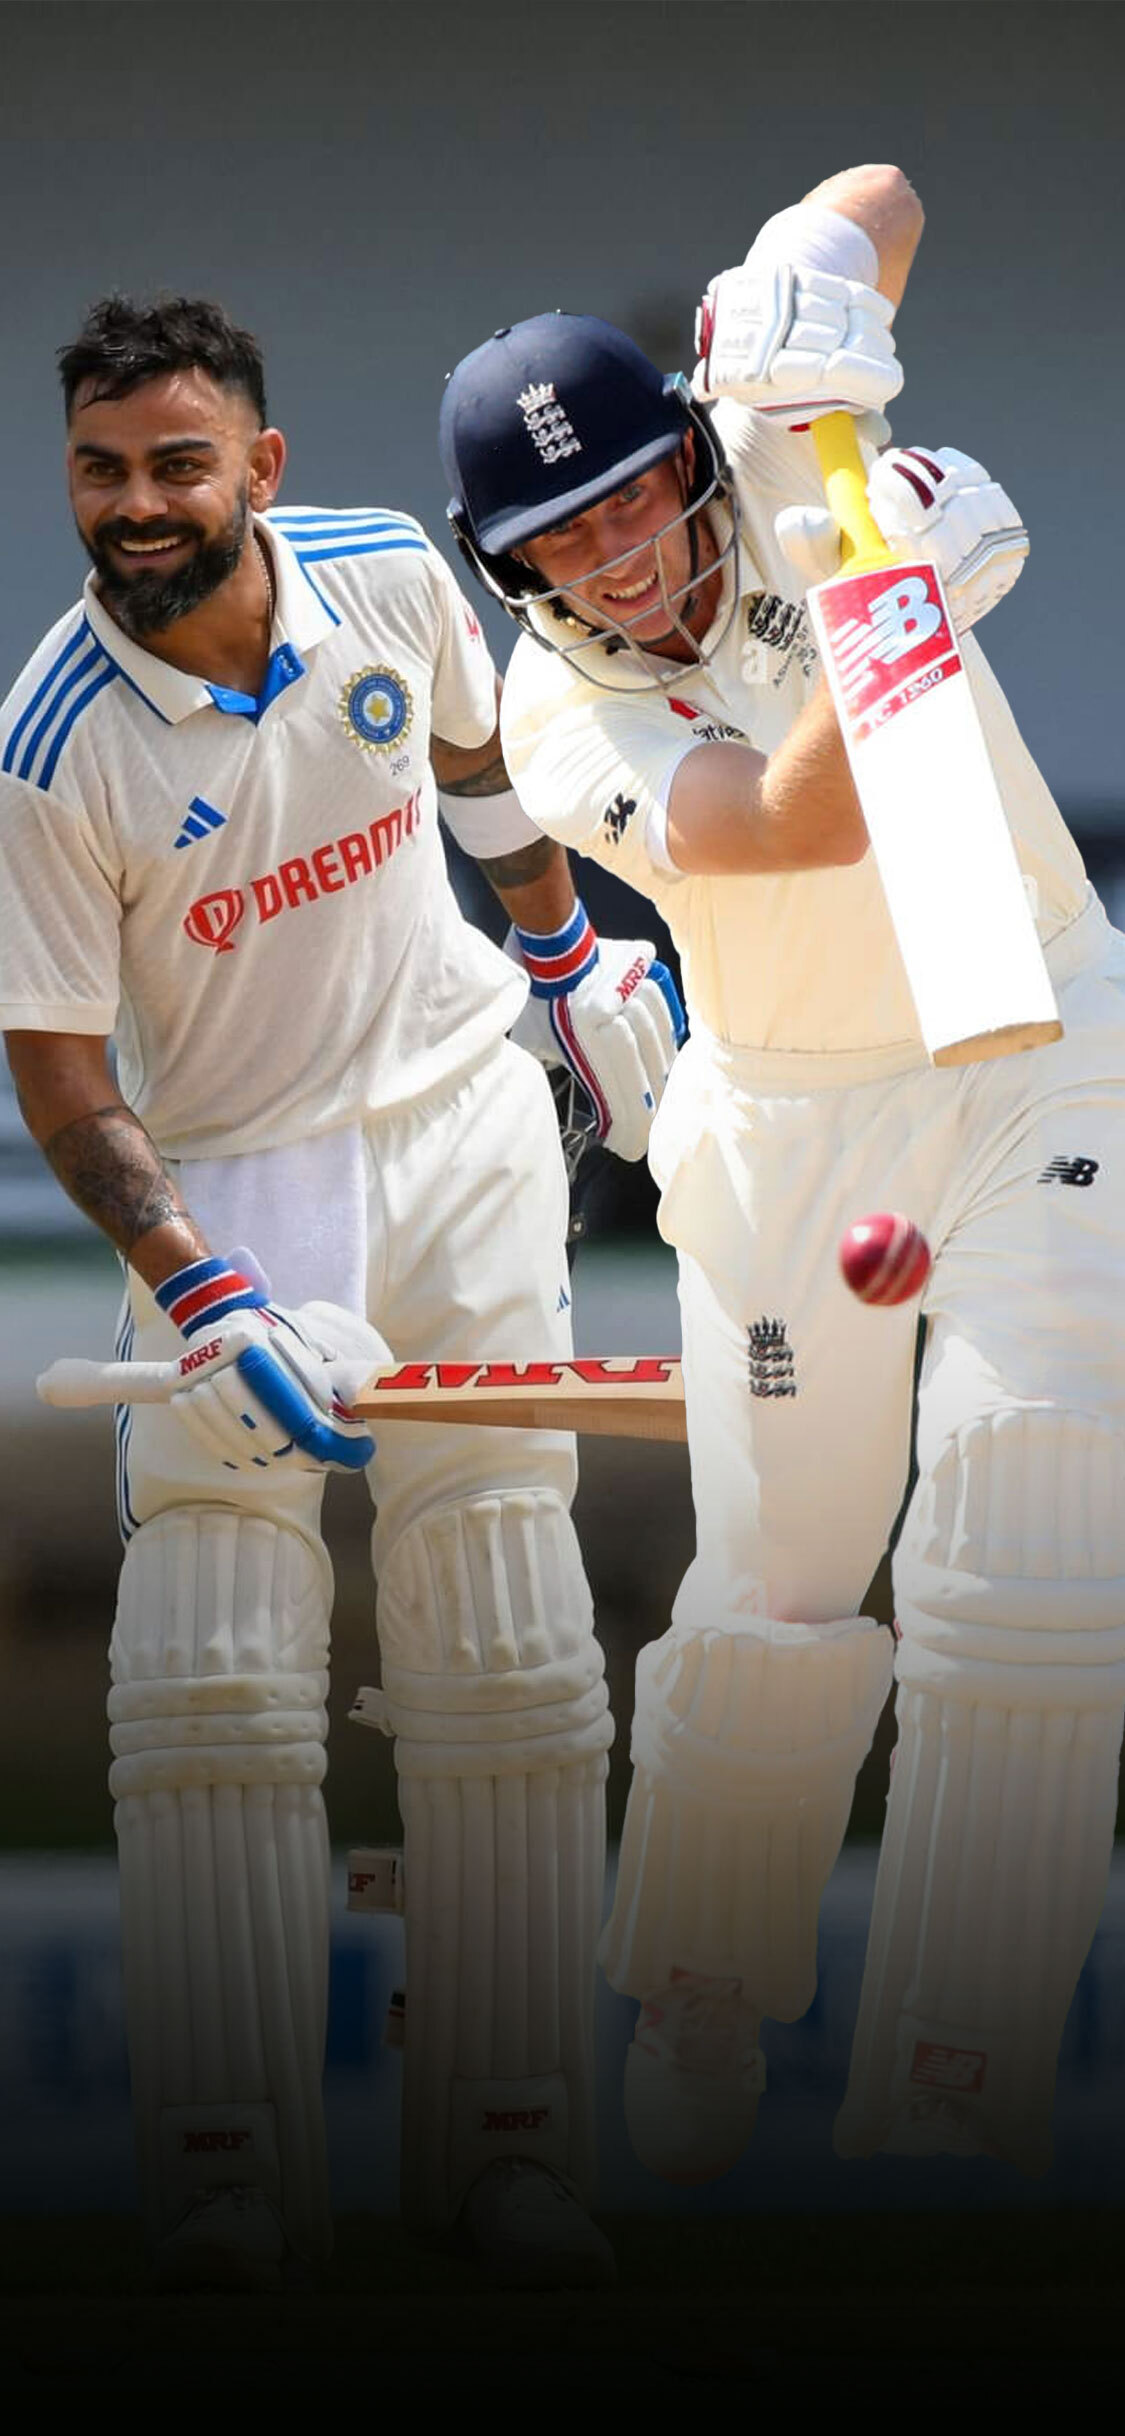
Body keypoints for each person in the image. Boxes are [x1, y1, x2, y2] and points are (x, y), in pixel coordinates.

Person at [440, 162, 1125, 2186]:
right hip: (783, 1125)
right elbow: (774, 828)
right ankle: (699, 1993)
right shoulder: (553, 711)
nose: (619, 563)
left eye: (633, 499)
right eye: (561, 544)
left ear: (685, 452)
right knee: (778, 1601)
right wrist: (893, 605)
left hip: (1035, 1041)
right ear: (511, 572)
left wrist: (801, 293)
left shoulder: (774, 446)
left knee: (1028, 1521)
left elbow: (877, 197)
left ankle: (949, 2086)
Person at [0, 293, 686, 2290]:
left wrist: (560, 957)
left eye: (177, 463)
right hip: (236, 1173)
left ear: (261, 468)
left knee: (506, 1626)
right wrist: (206, 1294)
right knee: (213, 1653)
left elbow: (480, 774)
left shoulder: (386, 570)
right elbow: (63, 1077)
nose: (137, 504)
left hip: (464, 1116)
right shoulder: (49, 748)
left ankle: (510, 2147)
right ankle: (228, 2173)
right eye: (100, 470)